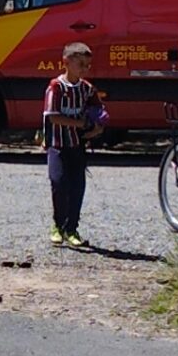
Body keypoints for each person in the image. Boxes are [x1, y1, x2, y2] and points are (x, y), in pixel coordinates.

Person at [40, 41, 106, 249]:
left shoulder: (86, 89)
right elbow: (53, 117)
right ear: (66, 63)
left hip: (77, 145)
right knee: (59, 182)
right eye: (80, 64)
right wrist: (80, 123)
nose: (85, 69)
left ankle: (72, 229)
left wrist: (98, 127)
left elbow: (99, 112)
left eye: (87, 65)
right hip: (57, 144)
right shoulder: (56, 87)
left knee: (77, 187)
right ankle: (58, 226)